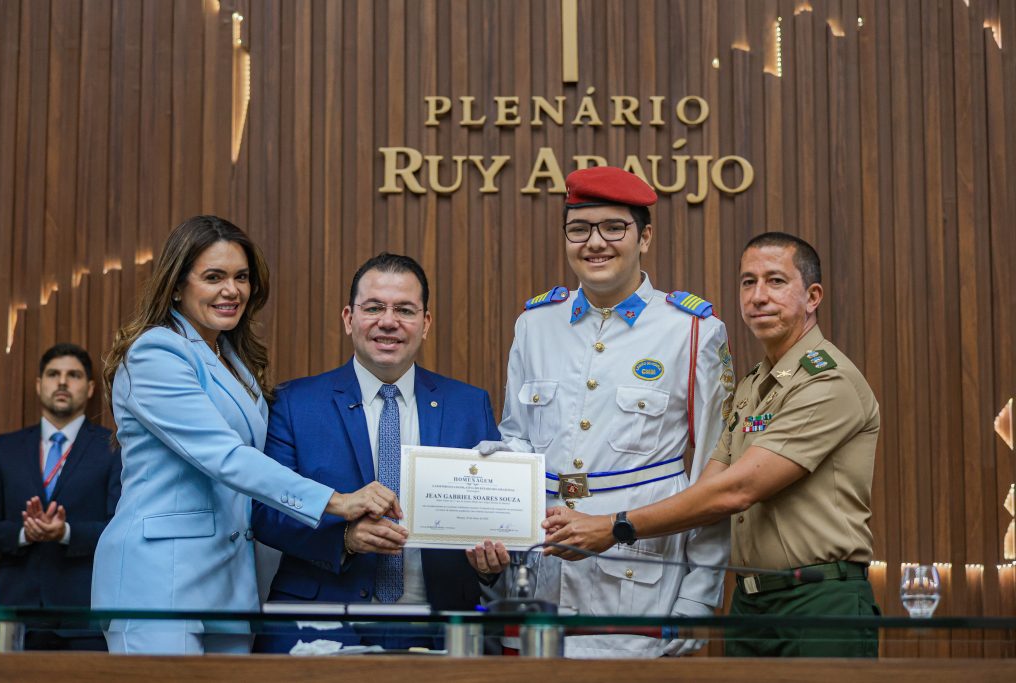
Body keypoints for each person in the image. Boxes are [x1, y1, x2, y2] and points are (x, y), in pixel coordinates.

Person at [544, 232, 881, 657]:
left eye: (776, 281)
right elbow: (705, 489)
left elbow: (735, 492)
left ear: (812, 296)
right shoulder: (752, 386)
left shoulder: (826, 381)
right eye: (748, 282)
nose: (758, 296)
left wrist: (613, 527)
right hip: (751, 601)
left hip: (819, 601)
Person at [92, 216, 400, 655]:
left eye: (241, 277)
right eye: (213, 277)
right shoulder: (155, 351)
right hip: (159, 577)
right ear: (177, 286)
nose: (231, 290)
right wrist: (338, 501)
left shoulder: (233, 358)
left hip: (231, 580)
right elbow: (226, 457)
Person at [478, 166, 734, 658]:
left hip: (641, 582)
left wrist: (696, 604)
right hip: (539, 582)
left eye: (614, 227)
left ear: (645, 237)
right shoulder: (534, 324)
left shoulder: (692, 330)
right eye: (579, 229)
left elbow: (712, 481)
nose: (595, 243)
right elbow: (518, 441)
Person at [251, 252, 501, 653]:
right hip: (320, 622)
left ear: (426, 323)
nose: (389, 321)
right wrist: (345, 538)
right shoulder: (296, 403)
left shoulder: (469, 406)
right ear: (349, 318)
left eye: (404, 309)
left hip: (439, 625)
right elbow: (266, 510)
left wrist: (492, 560)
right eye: (374, 308)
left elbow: (494, 511)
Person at [0, 343, 120, 651]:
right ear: (39, 385)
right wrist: (25, 532)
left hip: (83, 614)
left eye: (73, 375)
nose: (62, 382)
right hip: (14, 614)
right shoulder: (5, 448)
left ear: (90, 388)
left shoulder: (113, 448)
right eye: (53, 374)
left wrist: (66, 533)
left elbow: (119, 528)